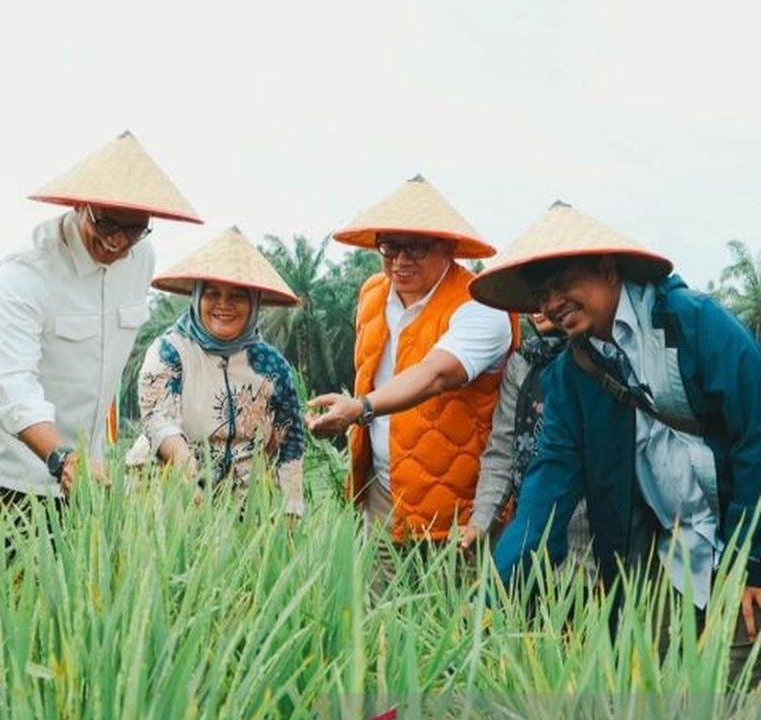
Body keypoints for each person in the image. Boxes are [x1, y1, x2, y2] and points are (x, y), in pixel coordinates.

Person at [471, 201, 761, 658]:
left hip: (741, 541)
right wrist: (484, 604)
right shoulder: (571, 377)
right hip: (673, 559)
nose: (551, 304)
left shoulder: (693, 322)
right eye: (543, 293)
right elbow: (544, 496)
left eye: (563, 283)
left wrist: (753, 562)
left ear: (607, 270)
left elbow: (756, 436)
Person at [0, 131, 201, 506]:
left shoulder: (142, 258)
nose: (117, 242)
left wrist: (82, 460)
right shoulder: (26, 271)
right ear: (79, 206)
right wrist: (62, 457)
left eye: (134, 230)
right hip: (14, 470)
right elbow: (13, 385)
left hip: (89, 473)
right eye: (106, 224)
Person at [306, 175, 517, 558]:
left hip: (459, 509)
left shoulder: (480, 307)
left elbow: (437, 373)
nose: (401, 260)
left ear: (448, 247)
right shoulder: (372, 294)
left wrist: (361, 408)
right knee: (375, 613)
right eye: (390, 247)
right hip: (384, 495)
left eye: (417, 248)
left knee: (455, 614)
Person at [128, 227, 306, 515]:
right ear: (197, 298)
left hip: (246, 507)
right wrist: (193, 482)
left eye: (238, 295)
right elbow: (159, 422)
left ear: (254, 301)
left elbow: (290, 445)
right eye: (212, 293)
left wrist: (290, 511)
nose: (224, 304)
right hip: (168, 495)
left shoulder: (273, 368)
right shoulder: (170, 352)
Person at [457, 312, 595, 581]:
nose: (538, 308)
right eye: (534, 296)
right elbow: (502, 451)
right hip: (529, 524)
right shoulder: (523, 362)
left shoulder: (600, 358)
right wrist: (481, 521)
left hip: (591, 529)